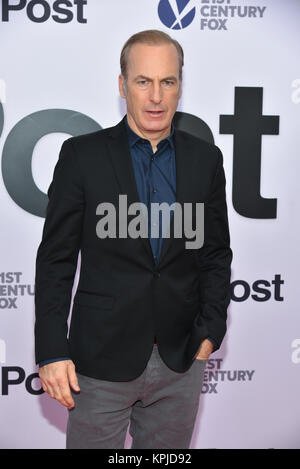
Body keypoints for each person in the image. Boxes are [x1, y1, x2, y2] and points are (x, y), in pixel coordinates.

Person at [35, 29, 232, 449]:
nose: (156, 96)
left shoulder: (206, 159)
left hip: (181, 360)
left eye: (168, 82)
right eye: (143, 81)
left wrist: (211, 328)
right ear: (122, 86)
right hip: (99, 360)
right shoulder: (82, 155)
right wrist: (52, 349)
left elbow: (215, 253)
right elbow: (56, 259)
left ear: (180, 85)